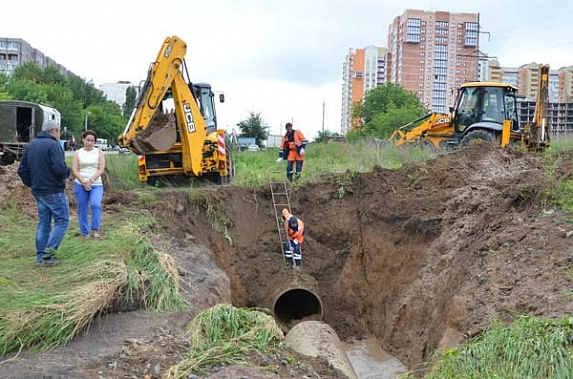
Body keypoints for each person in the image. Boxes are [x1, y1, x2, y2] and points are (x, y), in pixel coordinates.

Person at [18, 119, 70, 265]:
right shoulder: (54, 145)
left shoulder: (31, 145)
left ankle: (40, 256)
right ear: (54, 131)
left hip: (38, 191)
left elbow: (22, 170)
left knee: (43, 223)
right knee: (62, 221)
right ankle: (48, 255)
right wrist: (68, 172)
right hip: (53, 190)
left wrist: (31, 183)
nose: (59, 134)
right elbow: (59, 169)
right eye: (58, 131)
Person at [72, 130, 106, 240]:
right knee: (82, 207)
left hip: (96, 183)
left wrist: (90, 180)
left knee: (95, 204)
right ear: (83, 140)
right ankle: (84, 231)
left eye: (92, 141)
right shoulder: (77, 153)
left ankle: (95, 229)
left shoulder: (99, 152)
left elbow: (101, 168)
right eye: (88, 140)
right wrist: (83, 181)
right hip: (80, 184)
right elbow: (75, 169)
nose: (90, 142)